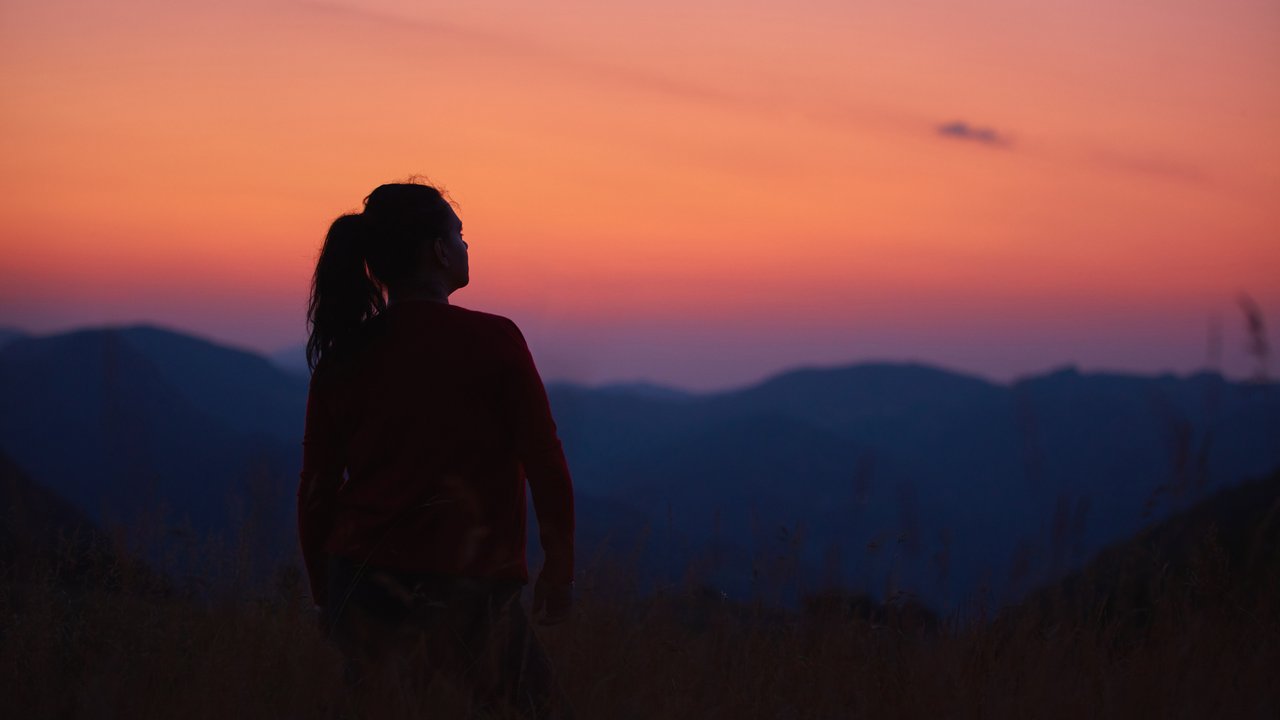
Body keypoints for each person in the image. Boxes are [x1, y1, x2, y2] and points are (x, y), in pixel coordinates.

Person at [297, 181, 575, 718]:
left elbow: (316, 491)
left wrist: (325, 594)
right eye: (460, 235)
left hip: (361, 581)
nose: (467, 247)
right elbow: (546, 463)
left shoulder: (343, 358)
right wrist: (559, 570)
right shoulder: (495, 341)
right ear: (439, 251)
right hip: (469, 587)